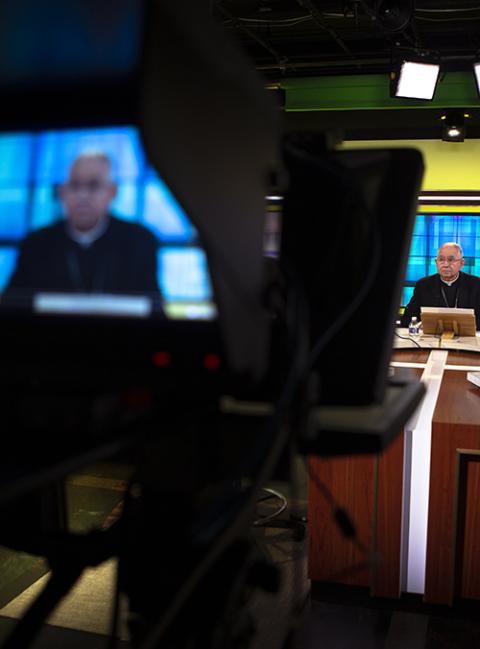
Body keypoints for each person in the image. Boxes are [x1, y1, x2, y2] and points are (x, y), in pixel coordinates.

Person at [2, 151, 161, 309]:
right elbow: (11, 308)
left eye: (93, 186)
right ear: (62, 192)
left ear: (112, 192)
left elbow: (153, 310)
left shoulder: (140, 241)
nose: (82, 196)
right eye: (74, 185)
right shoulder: (36, 244)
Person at [400, 241, 480, 328]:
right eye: (441, 259)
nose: (445, 265)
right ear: (436, 262)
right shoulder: (423, 285)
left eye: (451, 260)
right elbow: (407, 318)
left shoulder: (476, 285)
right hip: (431, 339)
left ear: (462, 263)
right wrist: (420, 325)